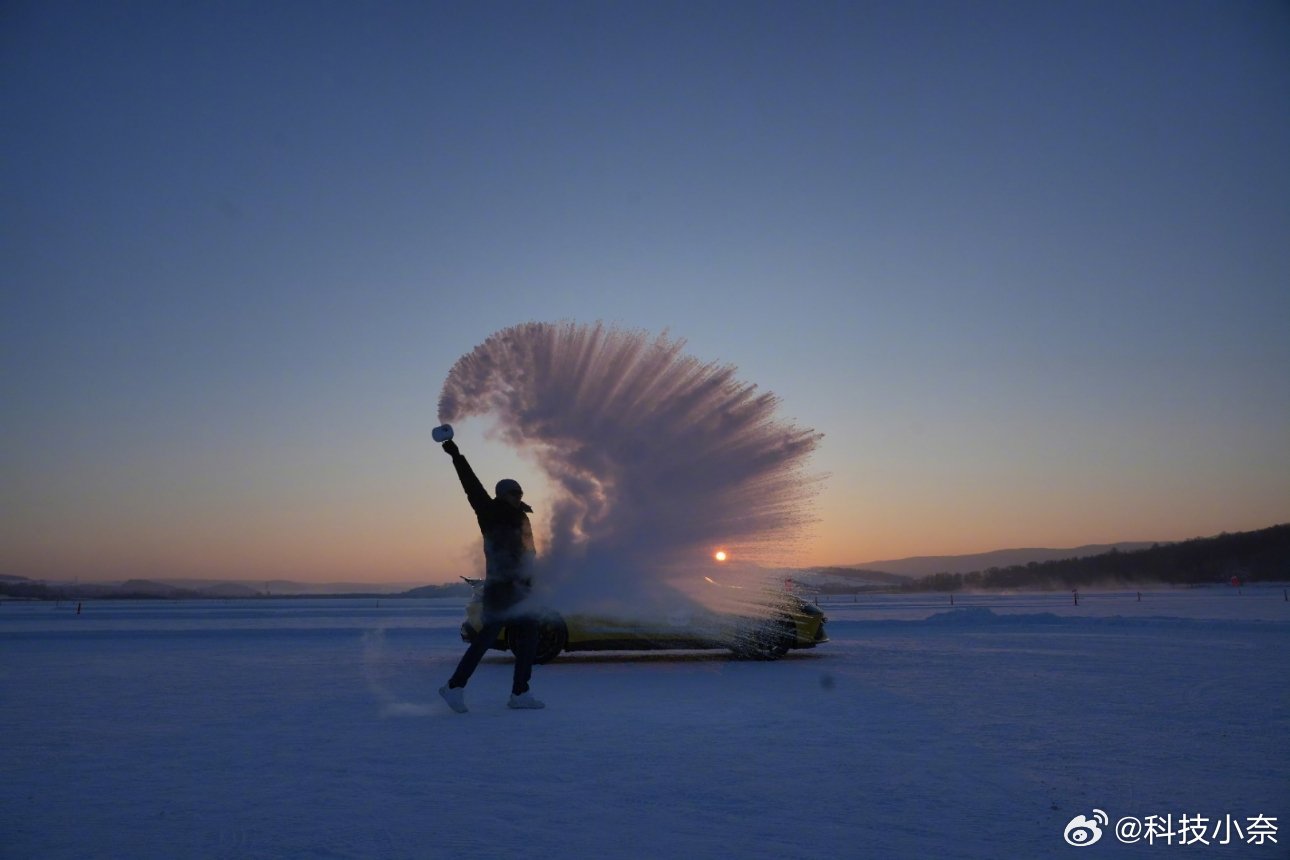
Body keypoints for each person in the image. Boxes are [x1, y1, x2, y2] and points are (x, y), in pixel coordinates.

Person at [438, 436, 545, 712]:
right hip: (500, 590)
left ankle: (520, 694)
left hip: (521, 590)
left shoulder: (522, 518)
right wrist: (456, 455)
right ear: (501, 494)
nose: (518, 497)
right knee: (485, 639)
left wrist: (534, 581)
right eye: (513, 493)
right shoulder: (488, 511)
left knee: (529, 637)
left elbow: (530, 555)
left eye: (520, 493)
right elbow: (470, 485)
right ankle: (454, 687)